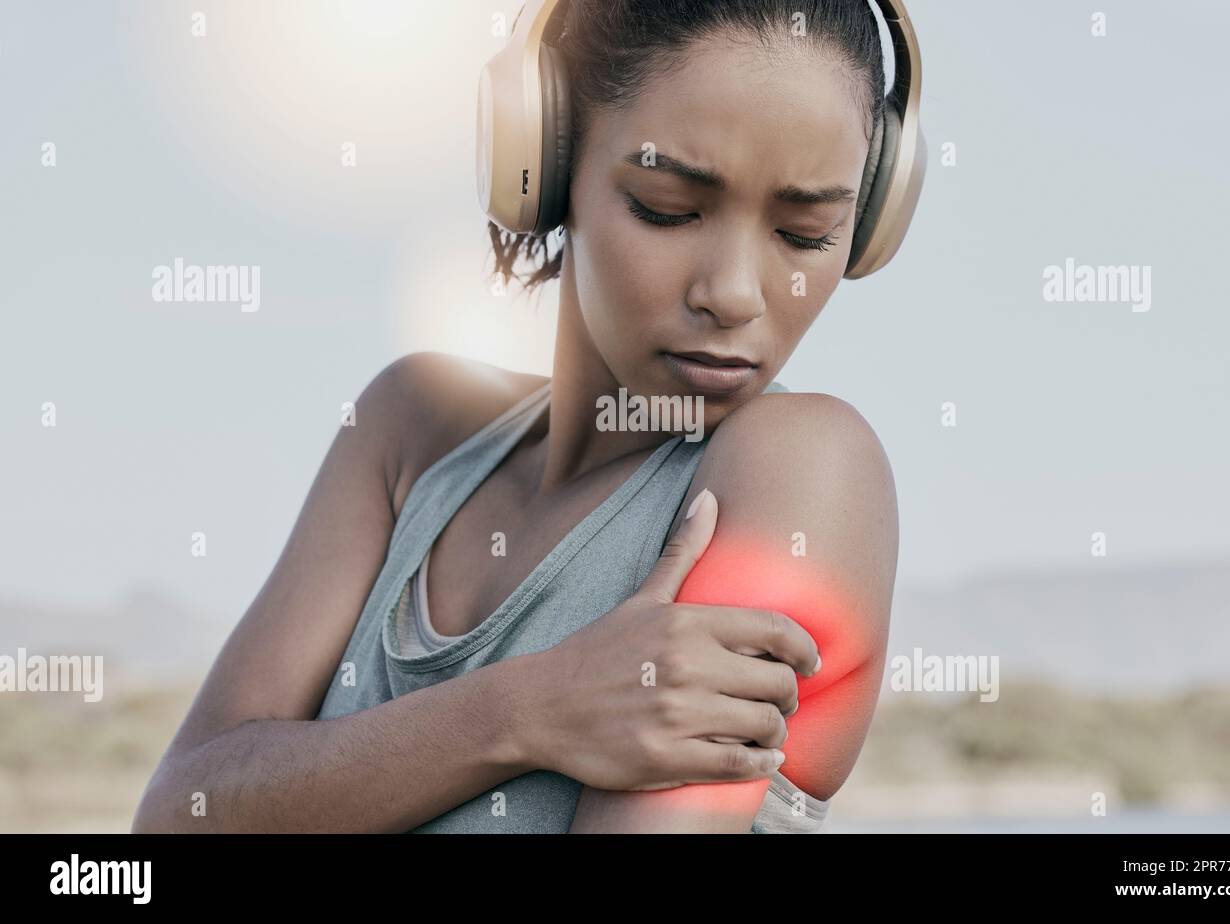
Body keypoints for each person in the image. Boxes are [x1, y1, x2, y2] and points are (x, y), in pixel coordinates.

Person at [133, 0, 903, 834]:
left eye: (805, 233)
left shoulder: (803, 467)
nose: (735, 294)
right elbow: (181, 811)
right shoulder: (410, 430)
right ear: (542, 160)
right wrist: (528, 710)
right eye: (667, 208)